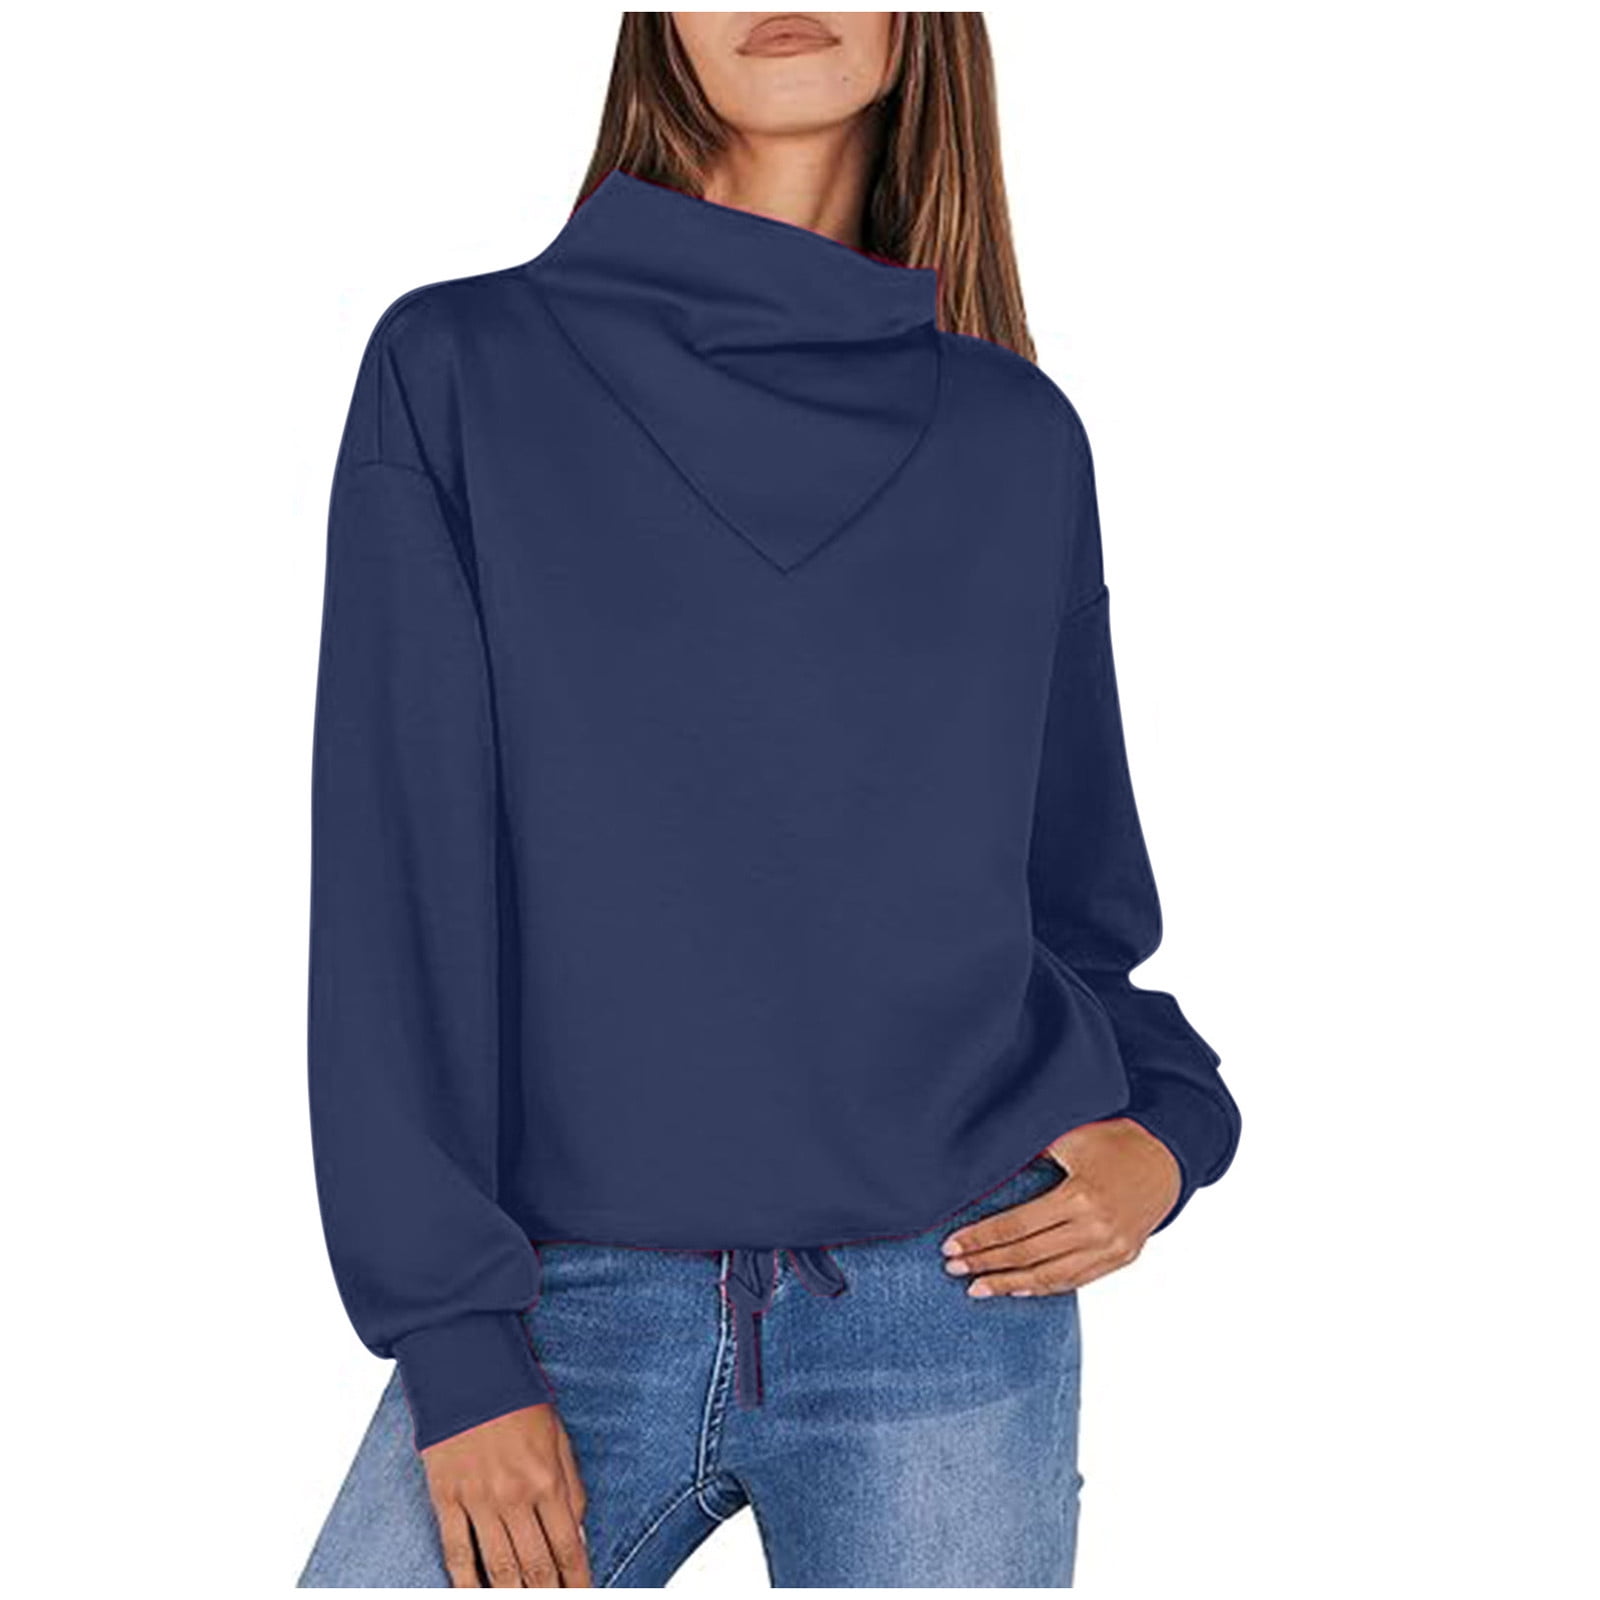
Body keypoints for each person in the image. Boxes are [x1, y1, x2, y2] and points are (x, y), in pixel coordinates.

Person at [297, 12, 1240, 1589]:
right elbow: (400, 887)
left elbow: (1069, 900)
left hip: (955, 1297)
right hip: (557, 1312)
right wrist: (459, 1348)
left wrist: (1173, 1131)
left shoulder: (1014, 437)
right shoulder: (461, 368)